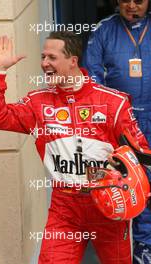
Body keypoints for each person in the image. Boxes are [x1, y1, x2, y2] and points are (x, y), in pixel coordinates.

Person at [0, 30, 149, 264]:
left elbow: (142, 153)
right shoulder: (37, 103)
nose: (44, 64)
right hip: (64, 207)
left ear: (73, 61)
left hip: (109, 202)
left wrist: (124, 165)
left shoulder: (113, 102)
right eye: (43, 57)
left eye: (51, 57)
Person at [83, 0, 151, 262]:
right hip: (123, 123)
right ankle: (119, 252)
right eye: (125, 0)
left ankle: (145, 250)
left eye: (139, 1)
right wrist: (108, 118)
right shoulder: (104, 31)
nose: (132, 6)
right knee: (125, 186)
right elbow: (93, 79)